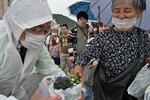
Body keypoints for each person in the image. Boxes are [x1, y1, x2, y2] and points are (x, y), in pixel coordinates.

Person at [73, 0, 150, 100]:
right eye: (117, 11)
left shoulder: (142, 36)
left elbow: (147, 58)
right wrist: (78, 69)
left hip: (132, 91)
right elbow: (85, 56)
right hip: (105, 92)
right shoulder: (104, 37)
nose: (121, 16)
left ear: (139, 13)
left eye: (127, 11)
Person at [0, 0, 65, 100]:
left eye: (46, 30)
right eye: (38, 28)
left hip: (16, 94)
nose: (42, 35)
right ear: (20, 23)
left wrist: (70, 84)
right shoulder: (2, 37)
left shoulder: (36, 45)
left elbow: (50, 68)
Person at [68, 11, 94, 100]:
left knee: (88, 77)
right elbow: (70, 43)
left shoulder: (91, 30)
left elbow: (94, 42)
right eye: (80, 19)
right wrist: (71, 54)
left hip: (89, 57)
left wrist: (92, 33)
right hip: (78, 56)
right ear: (78, 20)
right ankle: (78, 95)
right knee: (78, 76)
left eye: (84, 19)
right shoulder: (73, 30)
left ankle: (88, 96)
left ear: (87, 20)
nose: (82, 21)